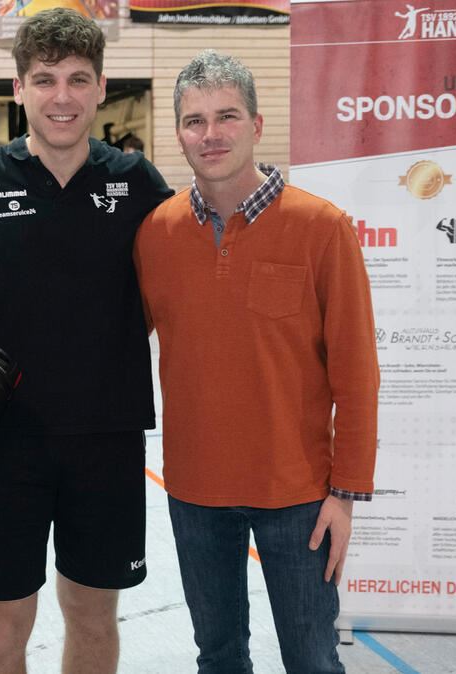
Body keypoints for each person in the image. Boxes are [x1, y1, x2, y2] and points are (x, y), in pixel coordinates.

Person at [0, 9, 173, 673]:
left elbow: (163, 298)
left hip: (107, 441)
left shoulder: (139, 184)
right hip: (3, 444)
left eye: (77, 79)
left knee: (93, 620)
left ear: (100, 88)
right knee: (1, 632)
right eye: (44, 80)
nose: (61, 96)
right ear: (18, 88)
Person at [133, 50, 379, 673]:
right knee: (217, 658)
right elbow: (111, 346)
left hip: (296, 494)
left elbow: (356, 370)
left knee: (312, 660)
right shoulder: (155, 234)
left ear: (257, 125)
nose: (210, 134)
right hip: (193, 490)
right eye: (194, 121)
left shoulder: (322, 227)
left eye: (227, 116)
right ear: (179, 132)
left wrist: (345, 493)